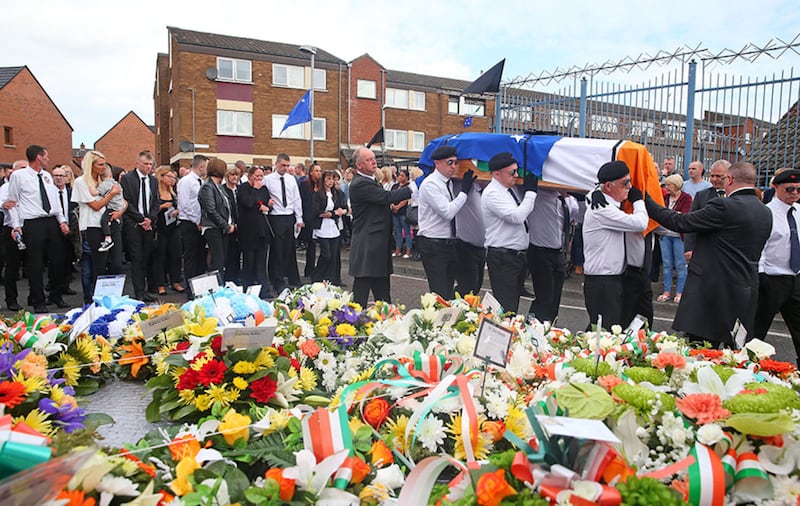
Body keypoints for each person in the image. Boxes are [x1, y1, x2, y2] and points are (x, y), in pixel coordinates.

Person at [644, 161, 772, 346]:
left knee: (701, 353)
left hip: (713, 292)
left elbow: (681, 222)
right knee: (733, 356)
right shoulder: (765, 211)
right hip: (745, 289)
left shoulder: (725, 206)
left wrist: (647, 202)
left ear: (729, 179)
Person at [582, 160, 649, 329]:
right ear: (609, 187)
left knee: (605, 332)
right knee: (603, 335)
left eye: (630, 181)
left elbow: (595, 192)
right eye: (625, 183)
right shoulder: (603, 209)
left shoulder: (601, 200)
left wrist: (595, 192)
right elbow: (641, 223)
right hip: (602, 282)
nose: (630, 187)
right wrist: (638, 201)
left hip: (612, 280)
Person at [6, 145, 71, 312]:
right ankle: (38, 300)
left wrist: (61, 220)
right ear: (39, 157)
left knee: (58, 261)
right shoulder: (19, 176)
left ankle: (56, 295)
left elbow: (54, 200)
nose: (48, 159)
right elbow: (12, 202)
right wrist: (16, 225)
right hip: (32, 223)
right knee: (35, 264)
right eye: (46, 156)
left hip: (51, 221)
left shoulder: (47, 176)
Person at [348, 147, 412, 306]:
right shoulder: (360, 183)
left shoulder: (371, 180)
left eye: (373, 158)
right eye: (368, 159)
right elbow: (386, 197)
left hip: (377, 244)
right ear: (359, 165)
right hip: (368, 244)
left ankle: (385, 321)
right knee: (361, 293)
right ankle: (353, 323)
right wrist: (412, 188)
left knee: (382, 292)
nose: (374, 161)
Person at [481, 152, 538, 313]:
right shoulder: (493, 193)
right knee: (507, 307)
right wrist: (531, 193)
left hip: (516, 256)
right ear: (496, 174)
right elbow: (516, 216)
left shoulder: (510, 190)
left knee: (513, 305)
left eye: (516, 170)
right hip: (503, 257)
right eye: (512, 172)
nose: (516, 175)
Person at [753, 169, 800, 360]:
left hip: (795, 279)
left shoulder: (798, 212)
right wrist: (762, 275)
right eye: (790, 189)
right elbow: (760, 246)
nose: (795, 194)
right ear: (776, 187)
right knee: (757, 329)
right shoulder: (767, 213)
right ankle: (747, 367)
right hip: (772, 279)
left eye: (798, 190)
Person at [417, 145, 475, 300]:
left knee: (449, 290)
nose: (453, 167)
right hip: (433, 243)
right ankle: (436, 322)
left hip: (448, 243)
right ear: (437, 163)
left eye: (456, 163)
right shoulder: (431, 184)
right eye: (449, 163)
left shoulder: (448, 182)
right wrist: (464, 192)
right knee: (439, 291)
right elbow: (447, 212)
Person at [71, 152, 123, 303]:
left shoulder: (106, 180)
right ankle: (96, 300)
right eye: (100, 164)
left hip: (112, 223)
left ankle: (113, 297)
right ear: (90, 165)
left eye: (104, 164)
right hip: (93, 226)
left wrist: (119, 211)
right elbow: (95, 205)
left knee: (117, 263)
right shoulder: (82, 182)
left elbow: (123, 200)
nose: (103, 167)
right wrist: (111, 194)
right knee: (99, 265)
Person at [526, 189, 578, 322]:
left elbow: (578, 216)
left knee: (555, 298)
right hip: (539, 252)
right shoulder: (539, 196)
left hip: (559, 253)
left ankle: (549, 326)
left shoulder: (569, 201)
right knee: (544, 298)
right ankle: (531, 327)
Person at [120, 151, 159, 302]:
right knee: (137, 258)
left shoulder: (153, 181)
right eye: (146, 164)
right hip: (134, 224)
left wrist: (150, 219)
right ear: (138, 163)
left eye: (150, 164)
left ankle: (145, 290)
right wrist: (141, 219)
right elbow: (126, 201)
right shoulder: (128, 179)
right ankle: (138, 291)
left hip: (149, 225)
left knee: (146, 258)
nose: (149, 167)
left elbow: (156, 201)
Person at [264, 153, 303, 292]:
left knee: (289, 248)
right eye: (283, 165)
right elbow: (263, 195)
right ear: (276, 164)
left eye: (288, 165)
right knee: (277, 250)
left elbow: (296, 198)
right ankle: (276, 279)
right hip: (276, 216)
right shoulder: (268, 179)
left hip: (289, 215)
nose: (285, 168)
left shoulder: (291, 179)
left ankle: (291, 277)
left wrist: (299, 218)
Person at [684, 159, 730, 262]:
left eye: (718, 176)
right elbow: (692, 222)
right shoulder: (701, 196)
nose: (714, 179)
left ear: (729, 176)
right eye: (712, 176)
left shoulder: (736, 196)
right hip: (706, 248)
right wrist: (689, 248)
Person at [238, 166, 274, 298]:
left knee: (261, 261)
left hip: (262, 229)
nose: (259, 179)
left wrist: (269, 204)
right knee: (249, 261)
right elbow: (248, 203)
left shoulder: (264, 189)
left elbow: (265, 202)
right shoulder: (243, 189)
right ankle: (248, 288)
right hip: (248, 230)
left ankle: (264, 288)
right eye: (256, 176)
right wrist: (254, 189)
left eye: (261, 176)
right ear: (250, 176)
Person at [656, 174, 692, 304]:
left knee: (680, 265)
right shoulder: (664, 197)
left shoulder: (686, 198)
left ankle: (680, 292)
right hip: (665, 235)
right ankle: (666, 291)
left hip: (679, 236)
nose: (666, 187)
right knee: (666, 264)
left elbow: (685, 216)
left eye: (669, 185)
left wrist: (668, 215)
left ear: (676, 185)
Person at [177, 154, 208, 298]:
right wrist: (196, 220)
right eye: (206, 166)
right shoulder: (186, 181)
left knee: (200, 256)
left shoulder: (200, 181)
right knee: (191, 257)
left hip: (200, 223)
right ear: (201, 166)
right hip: (190, 223)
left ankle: (200, 289)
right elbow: (184, 204)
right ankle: (191, 291)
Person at [198, 158, 234, 279]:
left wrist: (230, 223)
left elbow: (226, 207)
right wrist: (226, 226)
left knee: (221, 260)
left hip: (221, 228)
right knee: (217, 260)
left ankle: (220, 283)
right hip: (213, 228)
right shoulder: (207, 187)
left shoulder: (219, 187)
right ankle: (216, 286)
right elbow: (211, 210)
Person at [311, 170, 347, 285]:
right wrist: (333, 213)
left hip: (334, 227)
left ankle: (333, 279)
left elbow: (344, 208)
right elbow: (317, 212)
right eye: (328, 179)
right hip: (322, 227)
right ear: (323, 180)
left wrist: (341, 211)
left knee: (335, 255)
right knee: (326, 254)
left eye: (333, 179)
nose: (331, 182)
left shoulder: (338, 194)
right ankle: (317, 276)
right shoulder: (318, 195)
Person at [48, 165, 79, 296]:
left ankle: (65, 285)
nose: (59, 178)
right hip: (54, 229)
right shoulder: (49, 192)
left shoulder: (71, 192)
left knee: (68, 259)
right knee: (55, 261)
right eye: (56, 176)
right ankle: (54, 290)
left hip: (70, 229)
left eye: (63, 175)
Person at [153, 167, 184, 295]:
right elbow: (151, 209)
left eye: (174, 177)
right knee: (160, 257)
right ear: (161, 177)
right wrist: (162, 207)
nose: (172, 180)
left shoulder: (173, 193)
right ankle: (160, 284)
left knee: (176, 255)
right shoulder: (155, 193)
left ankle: (175, 281)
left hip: (173, 227)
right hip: (160, 228)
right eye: (169, 177)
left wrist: (177, 211)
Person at [1, 160, 26, 310]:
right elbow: (5, 203)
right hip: (12, 229)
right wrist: (3, 204)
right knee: (12, 266)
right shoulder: (6, 187)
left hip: (29, 226)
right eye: (21, 168)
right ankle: (11, 299)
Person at [300, 163, 322, 278]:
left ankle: (316, 269)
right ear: (311, 172)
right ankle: (309, 270)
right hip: (308, 217)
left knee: (316, 245)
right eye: (316, 171)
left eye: (320, 171)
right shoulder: (304, 185)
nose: (319, 173)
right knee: (310, 244)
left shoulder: (321, 186)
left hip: (319, 218)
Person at [222, 167, 242, 284]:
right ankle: (229, 277)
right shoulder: (223, 190)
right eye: (232, 175)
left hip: (240, 225)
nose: (234, 177)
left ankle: (237, 275)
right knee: (228, 252)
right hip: (228, 225)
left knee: (238, 252)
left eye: (236, 175)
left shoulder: (239, 189)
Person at [391, 169, 413, 258]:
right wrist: (393, 205)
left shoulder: (409, 186)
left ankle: (408, 250)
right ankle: (398, 249)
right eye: (399, 175)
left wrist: (398, 206)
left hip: (404, 211)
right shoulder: (395, 186)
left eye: (402, 175)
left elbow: (406, 198)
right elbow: (391, 196)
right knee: (397, 231)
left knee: (407, 231)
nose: (400, 177)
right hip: (394, 212)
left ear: (407, 177)